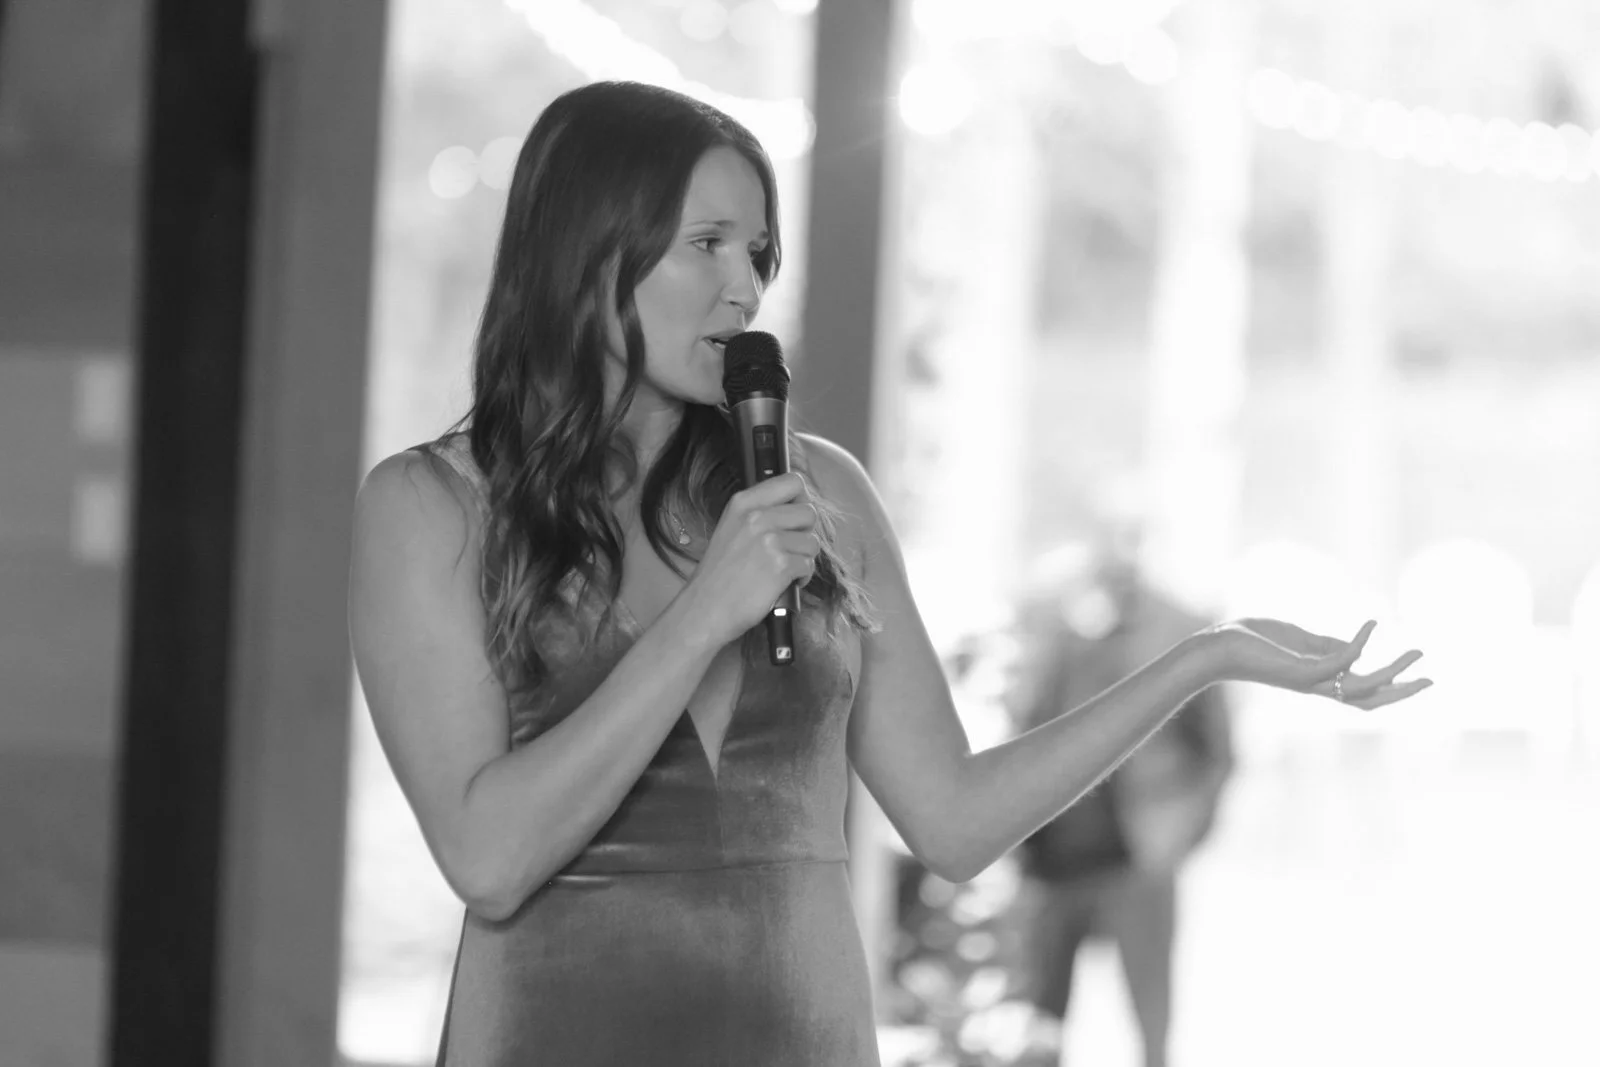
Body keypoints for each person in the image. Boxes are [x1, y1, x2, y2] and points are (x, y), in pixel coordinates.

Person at [346, 80, 1432, 1067]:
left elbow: (952, 821)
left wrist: (1204, 659)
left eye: (758, 252)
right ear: (588, 250)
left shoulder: (817, 491)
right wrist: (700, 616)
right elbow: (485, 857)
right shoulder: (429, 507)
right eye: (708, 243)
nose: (744, 290)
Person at [1006, 535, 1236, 1067]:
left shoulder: (1180, 628)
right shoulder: (1051, 621)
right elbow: (1021, 723)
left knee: (1151, 1024)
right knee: (1035, 1026)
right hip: (1051, 857)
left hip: (1137, 855)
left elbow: (1218, 754)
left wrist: (1180, 837)